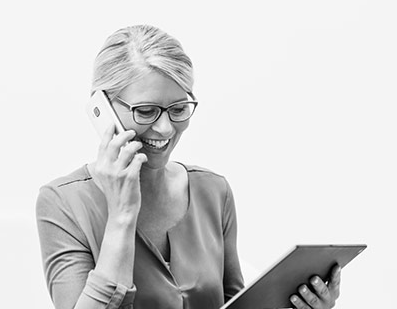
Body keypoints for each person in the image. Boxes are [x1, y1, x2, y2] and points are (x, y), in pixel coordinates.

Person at [35, 25, 343, 309]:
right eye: (146, 111)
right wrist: (121, 216)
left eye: (179, 108)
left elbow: (237, 304)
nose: (166, 128)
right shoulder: (63, 203)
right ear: (101, 108)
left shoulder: (213, 191)